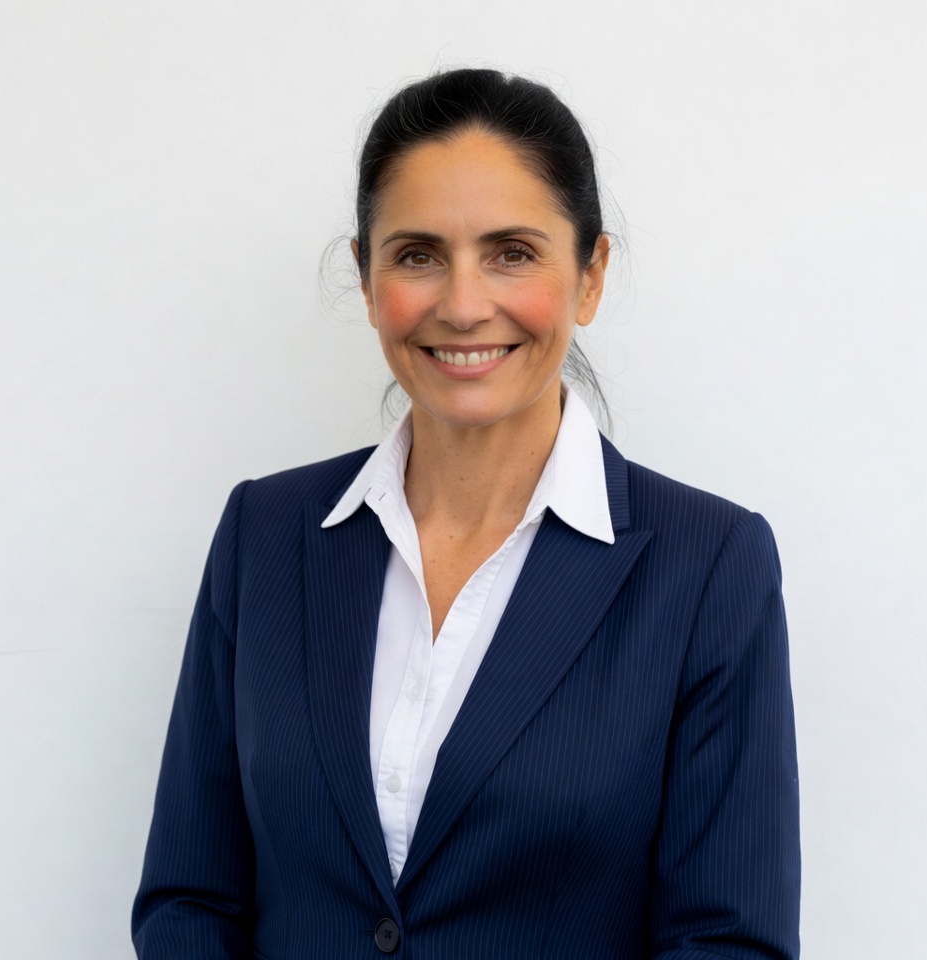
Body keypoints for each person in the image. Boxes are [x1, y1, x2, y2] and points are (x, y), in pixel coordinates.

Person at [132, 68, 800, 959]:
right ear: (369, 280)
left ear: (590, 276)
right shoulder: (265, 534)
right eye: (416, 255)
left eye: (512, 252)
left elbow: (728, 941)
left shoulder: (709, 563)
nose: (462, 303)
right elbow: (189, 900)